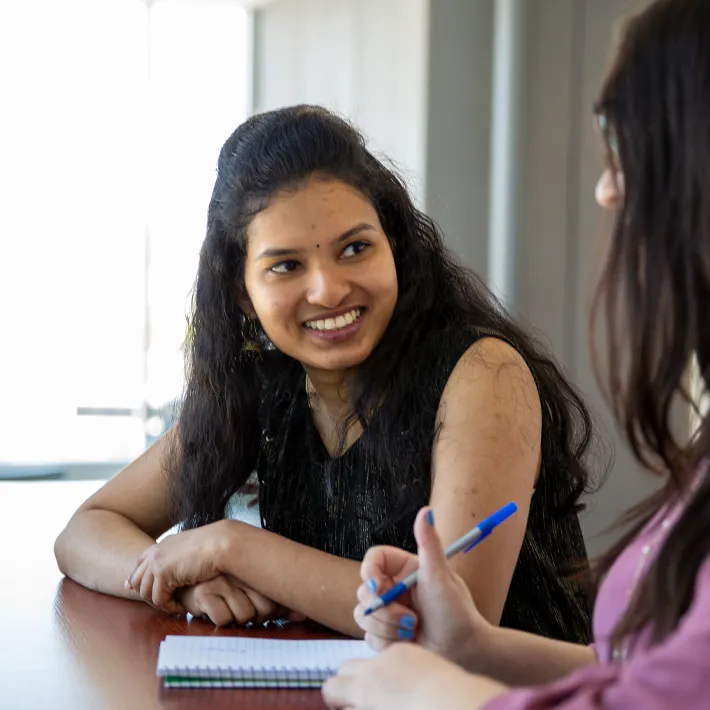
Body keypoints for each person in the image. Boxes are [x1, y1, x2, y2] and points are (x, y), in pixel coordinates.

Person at [54, 104, 598, 641]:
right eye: (286, 266)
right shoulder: (268, 387)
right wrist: (181, 583)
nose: (329, 289)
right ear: (243, 293)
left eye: (355, 248)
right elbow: (86, 530)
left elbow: (454, 620)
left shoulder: (482, 373)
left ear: (395, 249)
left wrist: (233, 547)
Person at [322, 0, 710, 706]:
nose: (605, 188)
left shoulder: (482, 369)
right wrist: (473, 647)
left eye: (625, 152)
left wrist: (433, 695)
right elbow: (653, 677)